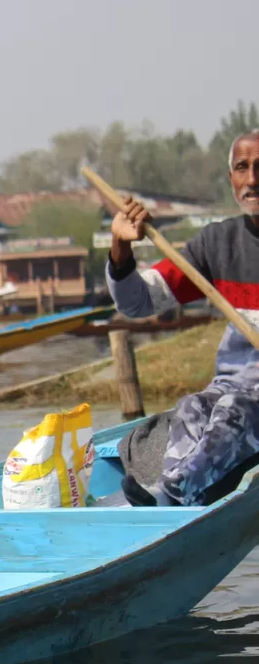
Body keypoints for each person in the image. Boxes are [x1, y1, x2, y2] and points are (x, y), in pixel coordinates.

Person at [107, 129, 259, 506]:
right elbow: (138, 302)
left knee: (232, 412)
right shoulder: (215, 244)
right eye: (243, 168)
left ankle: (172, 496)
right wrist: (121, 247)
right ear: (232, 179)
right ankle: (167, 486)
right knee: (194, 406)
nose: (253, 179)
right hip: (230, 386)